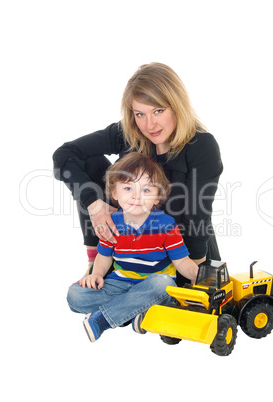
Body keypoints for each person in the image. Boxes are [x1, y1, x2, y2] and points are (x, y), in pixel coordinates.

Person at [53, 62, 223, 285]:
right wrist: (94, 205)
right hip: (127, 246)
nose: (150, 124)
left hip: (180, 252)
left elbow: (198, 216)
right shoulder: (127, 132)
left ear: (176, 106)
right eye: (140, 114)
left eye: (158, 111)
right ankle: (97, 265)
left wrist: (193, 277)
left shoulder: (202, 145)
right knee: (88, 164)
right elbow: (63, 155)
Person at [67, 152, 198, 342]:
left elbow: (182, 261)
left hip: (154, 284)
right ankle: (138, 310)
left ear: (157, 197)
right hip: (120, 283)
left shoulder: (166, 225)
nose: (136, 196)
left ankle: (103, 319)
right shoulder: (111, 223)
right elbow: (104, 257)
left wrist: (197, 275)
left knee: (165, 285)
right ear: (114, 193)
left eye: (146, 190)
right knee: (75, 296)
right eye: (128, 188)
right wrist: (96, 274)